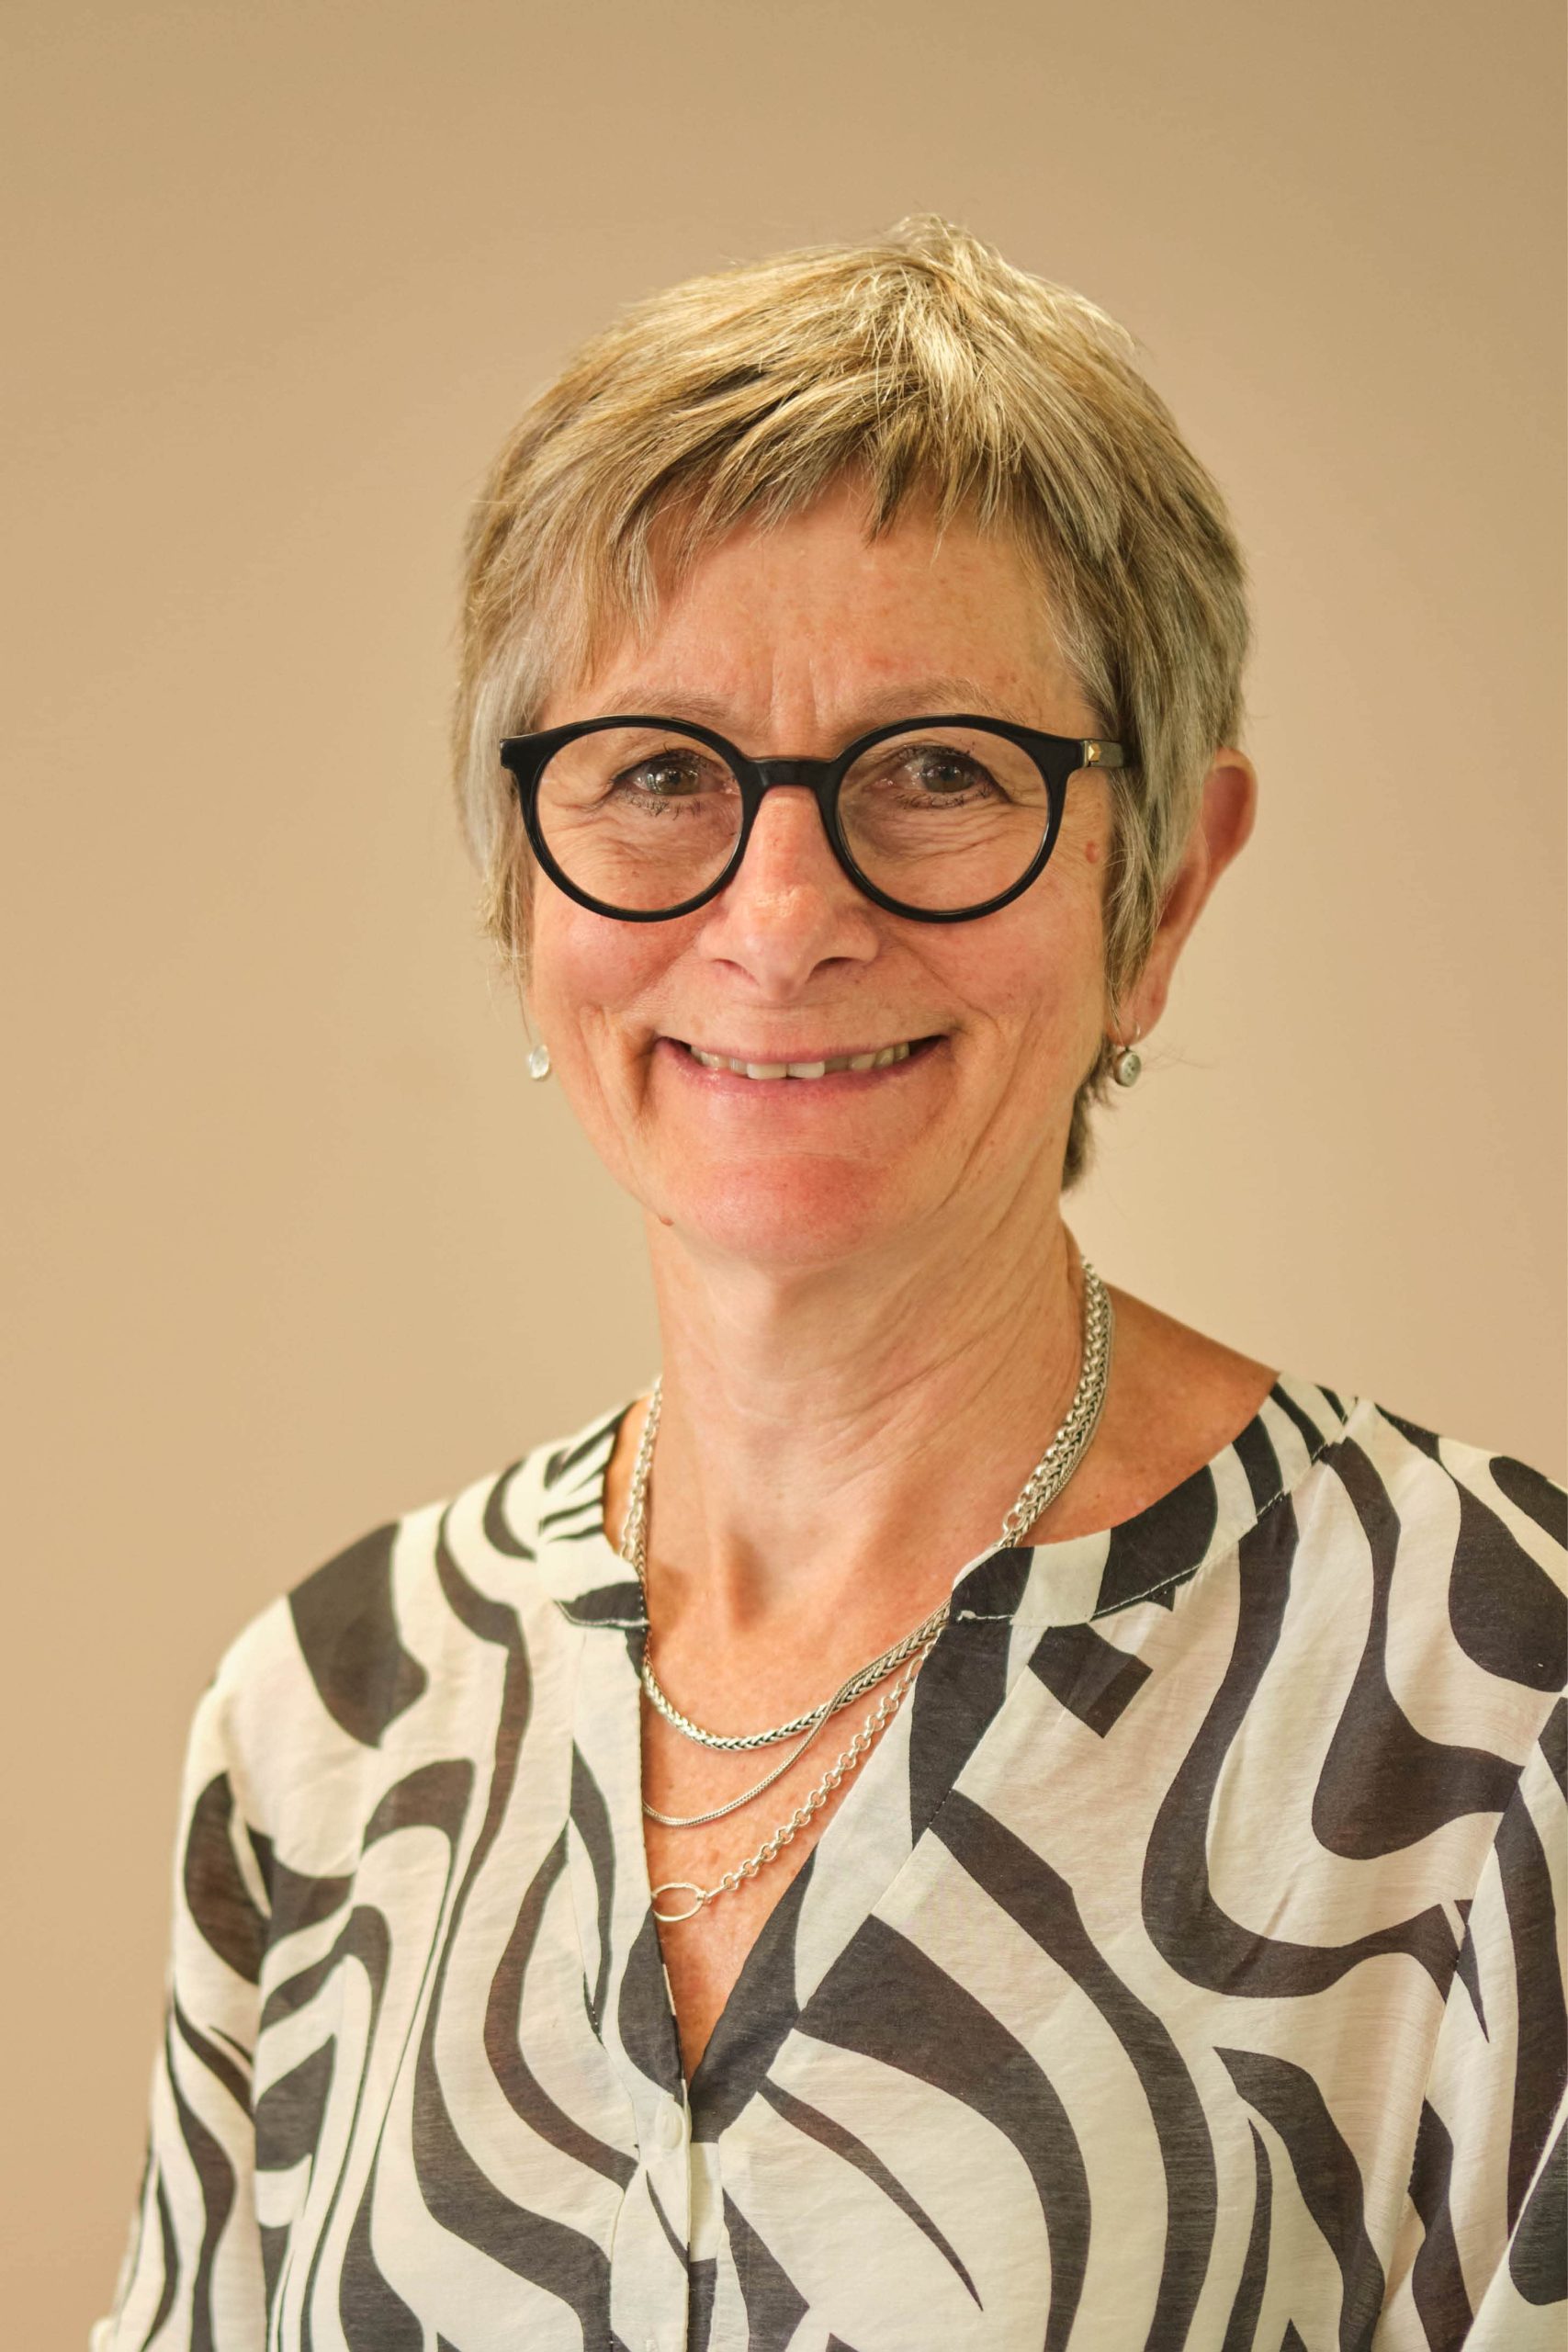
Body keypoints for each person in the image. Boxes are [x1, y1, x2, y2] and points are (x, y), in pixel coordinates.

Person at [94, 218, 1564, 2352]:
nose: (780, 919)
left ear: (1161, 884)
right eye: (660, 773)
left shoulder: (1485, 1705)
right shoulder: (331, 1713)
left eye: (941, 771)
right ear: (524, 883)